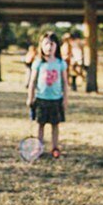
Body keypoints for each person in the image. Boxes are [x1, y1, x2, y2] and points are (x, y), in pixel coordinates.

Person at [26, 31, 68, 159]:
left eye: (52, 44)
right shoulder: (38, 62)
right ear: (41, 46)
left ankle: (55, 148)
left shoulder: (61, 63)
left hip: (56, 100)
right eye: (46, 44)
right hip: (41, 99)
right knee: (40, 125)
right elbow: (32, 81)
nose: (49, 47)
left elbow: (65, 83)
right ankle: (38, 148)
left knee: (55, 125)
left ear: (57, 46)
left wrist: (65, 99)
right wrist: (30, 97)